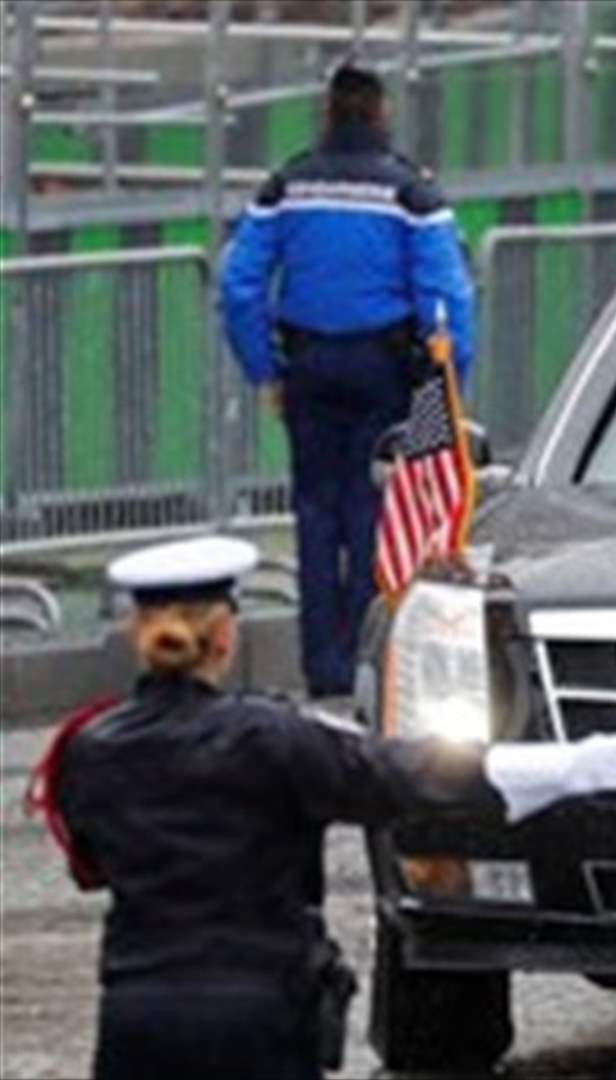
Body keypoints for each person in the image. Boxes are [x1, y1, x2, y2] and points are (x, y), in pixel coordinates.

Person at [37, 536, 616, 1080]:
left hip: (138, 1014)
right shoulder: (273, 738)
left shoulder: (89, 749)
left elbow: (89, 864)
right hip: (255, 1013)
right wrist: (567, 767)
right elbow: (406, 774)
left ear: (135, 635)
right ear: (225, 635)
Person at [220, 62, 475, 698]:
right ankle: (369, 660)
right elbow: (446, 297)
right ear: (381, 113)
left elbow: (238, 282)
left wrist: (264, 366)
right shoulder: (410, 194)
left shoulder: (287, 186)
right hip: (386, 370)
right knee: (375, 512)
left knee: (314, 512)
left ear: (328, 113)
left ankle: (321, 669)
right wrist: (448, 384)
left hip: (307, 368)